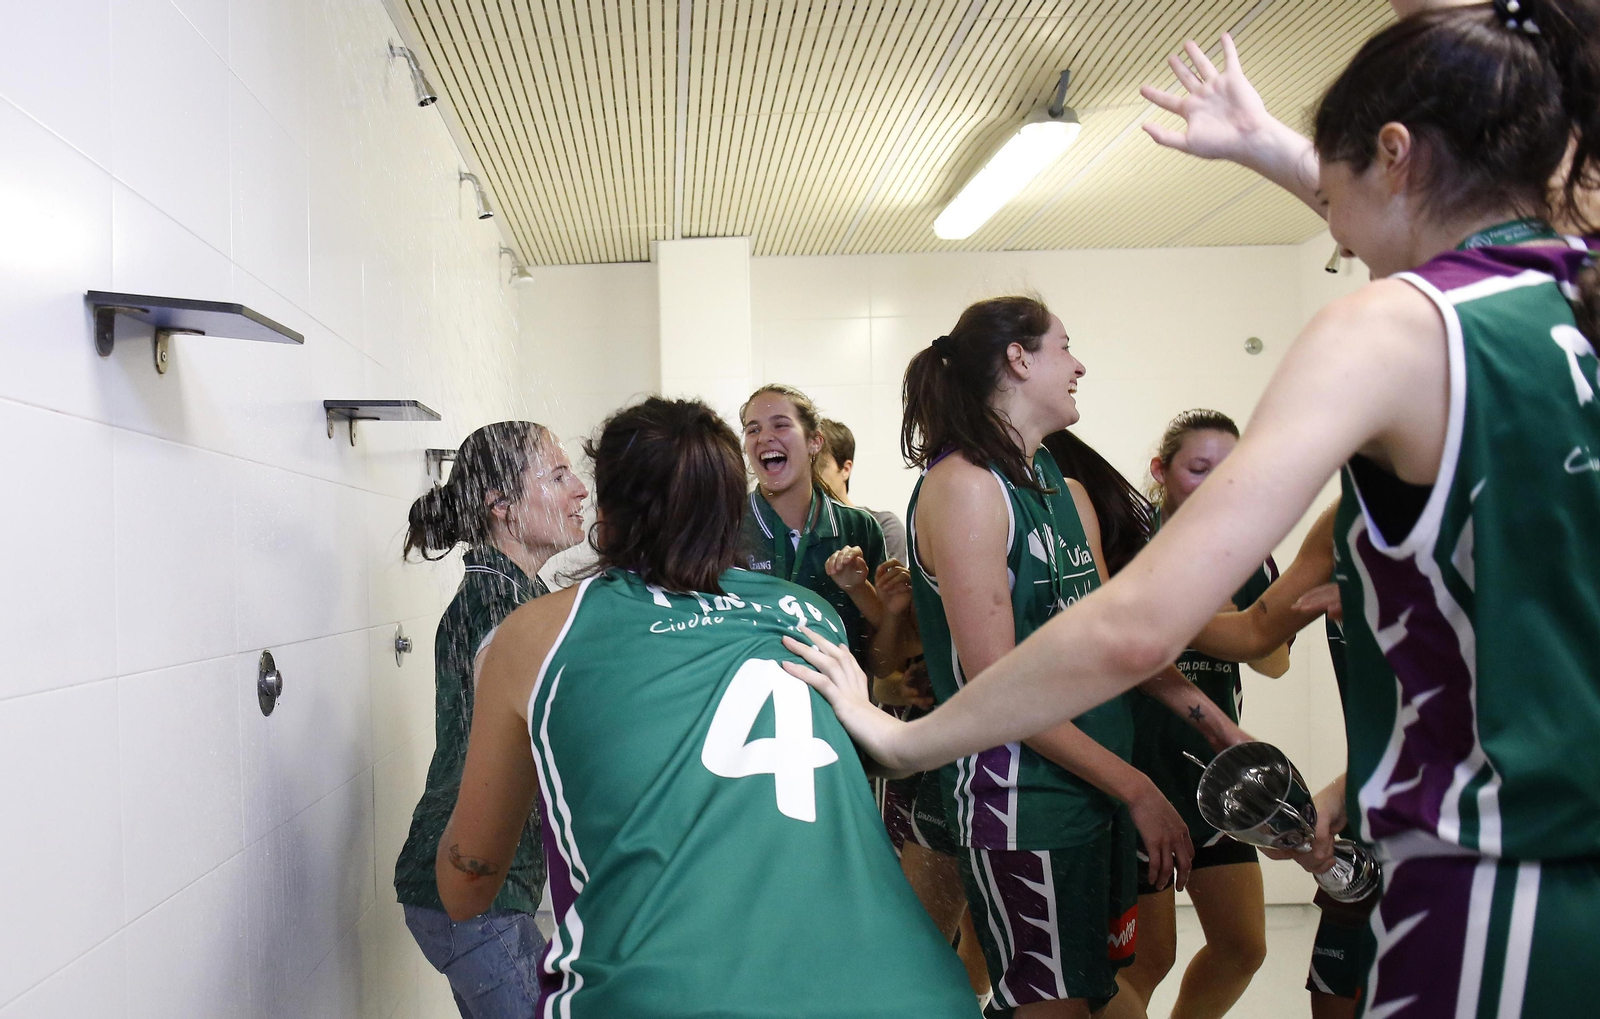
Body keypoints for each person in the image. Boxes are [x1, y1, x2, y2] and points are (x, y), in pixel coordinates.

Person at [788, 5, 1600, 1017]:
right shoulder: (1575, 291)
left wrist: (904, 738)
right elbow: (1435, 223)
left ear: (1396, 154)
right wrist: (1271, 149)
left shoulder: (1394, 330)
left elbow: (1133, 627)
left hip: (1505, 883)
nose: (1335, 242)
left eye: (1333, 214)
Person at [433, 397, 976, 1018]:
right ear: (732, 511)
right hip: (911, 994)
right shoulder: (808, 611)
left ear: (608, 513)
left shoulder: (540, 632)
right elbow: (863, 756)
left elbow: (468, 883)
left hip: (671, 994)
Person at [896, 297, 1248, 1018]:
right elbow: (1001, 689)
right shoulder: (963, 487)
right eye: (1065, 346)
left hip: (1092, 793)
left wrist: (1219, 726)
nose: (1079, 363)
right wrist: (1138, 787)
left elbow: (1114, 641)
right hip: (1021, 805)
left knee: (1103, 996)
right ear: (1019, 360)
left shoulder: (1062, 485)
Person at [394, 420, 589, 1019]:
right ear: (501, 505)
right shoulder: (494, 607)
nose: (580, 489)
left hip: (479, 886)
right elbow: (534, 734)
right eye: (557, 475)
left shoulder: (517, 596)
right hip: (470, 892)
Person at [1120, 410, 1289, 1019]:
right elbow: (1122, 650)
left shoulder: (1246, 550)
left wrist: (1215, 616)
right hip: (1138, 768)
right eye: (1200, 470)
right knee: (1149, 957)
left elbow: (1274, 660)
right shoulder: (1122, 545)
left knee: (1243, 946)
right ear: (1160, 471)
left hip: (1216, 775)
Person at [738, 385, 900, 668]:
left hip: (839, 707)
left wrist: (863, 592)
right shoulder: (727, 527)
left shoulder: (858, 528)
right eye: (753, 430)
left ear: (814, 441)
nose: (764, 437)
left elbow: (883, 665)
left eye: (780, 425)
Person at [818, 417, 910, 563]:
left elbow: (888, 585)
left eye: (820, 465)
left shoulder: (882, 525)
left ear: (845, 469)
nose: (812, 475)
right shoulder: (801, 533)